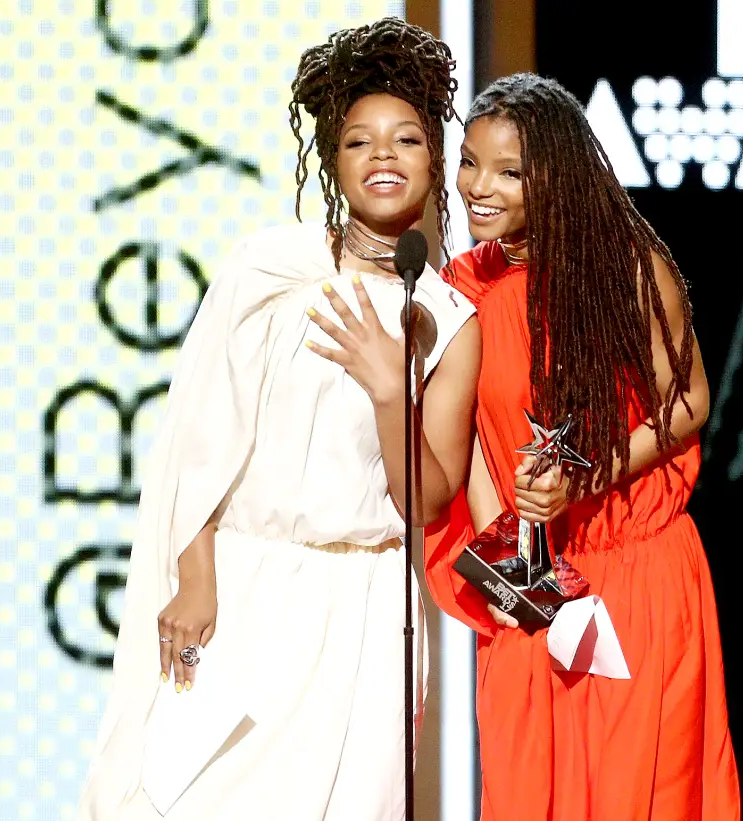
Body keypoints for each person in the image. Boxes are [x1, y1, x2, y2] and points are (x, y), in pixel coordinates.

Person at [77, 18, 480, 821]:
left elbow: (430, 500)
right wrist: (195, 574)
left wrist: (385, 388)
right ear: (334, 161)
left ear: (433, 160)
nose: (384, 157)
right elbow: (199, 435)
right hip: (246, 586)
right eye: (361, 142)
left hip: (366, 609)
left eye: (405, 139)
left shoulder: (449, 315)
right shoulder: (268, 269)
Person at [425, 73, 741, 821]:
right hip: (534, 583)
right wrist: (516, 575)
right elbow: (470, 441)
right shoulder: (460, 286)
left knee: (641, 794)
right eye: (469, 162)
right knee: (528, 791)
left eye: (508, 170)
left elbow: (690, 399)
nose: (478, 186)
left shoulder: (626, 268)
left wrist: (587, 475)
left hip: (635, 578)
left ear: (558, 175)